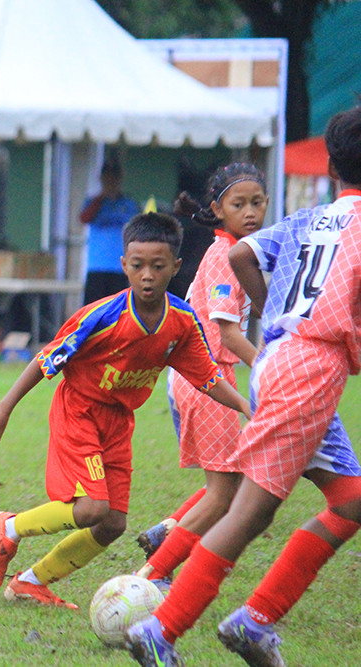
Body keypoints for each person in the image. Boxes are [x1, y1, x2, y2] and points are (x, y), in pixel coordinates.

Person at [126, 107, 361, 667]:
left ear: (329, 166)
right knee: (247, 512)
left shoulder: (315, 218)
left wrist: (278, 312)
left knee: (351, 501)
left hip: (280, 360)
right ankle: (166, 628)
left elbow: (242, 253)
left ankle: (251, 621)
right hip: (307, 370)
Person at [0, 212, 251, 609]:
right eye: (137, 266)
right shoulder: (102, 316)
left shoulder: (182, 321)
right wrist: (6, 408)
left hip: (119, 422)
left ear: (175, 266)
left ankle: (31, 582)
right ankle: (9, 527)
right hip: (80, 411)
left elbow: (206, 377)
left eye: (158, 266)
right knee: (92, 508)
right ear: (124, 265)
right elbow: (45, 359)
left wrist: (243, 403)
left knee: (113, 524)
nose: (148, 276)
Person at [133, 163, 268, 587]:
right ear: (217, 208)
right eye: (238, 204)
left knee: (232, 481)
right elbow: (228, 333)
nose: (250, 212)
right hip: (210, 382)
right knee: (226, 495)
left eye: (257, 203)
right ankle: (155, 572)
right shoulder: (228, 257)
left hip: (200, 379)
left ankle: (166, 533)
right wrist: (270, 365)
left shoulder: (229, 249)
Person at [79, 157, 141, 303]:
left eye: (114, 177)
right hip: (97, 266)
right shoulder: (93, 203)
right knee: (94, 310)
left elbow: (138, 228)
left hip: (120, 266)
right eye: (107, 177)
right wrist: (101, 198)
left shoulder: (128, 204)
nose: (110, 181)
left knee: (118, 310)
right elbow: (84, 218)